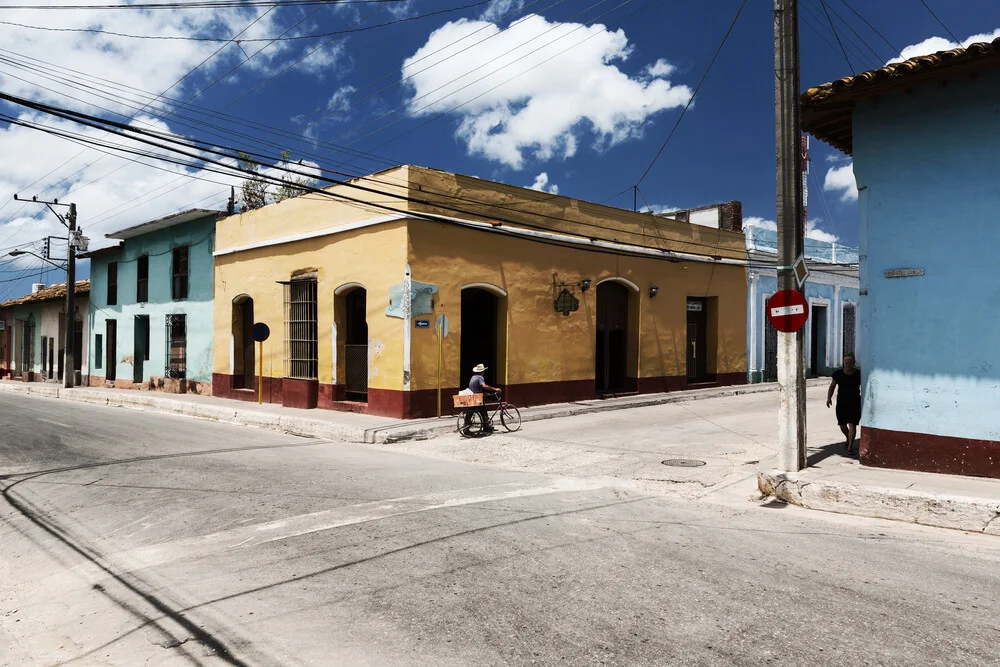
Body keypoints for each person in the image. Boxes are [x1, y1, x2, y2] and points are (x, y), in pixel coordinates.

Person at [827, 353, 862, 454]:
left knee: (852, 425)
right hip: (841, 403)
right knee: (842, 425)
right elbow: (832, 386)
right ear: (843, 363)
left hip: (854, 402)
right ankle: (847, 437)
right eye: (846, 363)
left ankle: (850, 446)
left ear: (853, 363)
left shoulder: (858, 374)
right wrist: (829, 398)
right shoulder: (838, 374)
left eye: (850, 363)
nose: (847, 364)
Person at [467, 363, 500, 434]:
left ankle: (486, 427)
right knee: (483, 412)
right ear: (482, 371)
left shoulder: (473, 377)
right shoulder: (480, 377)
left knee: (480, 410)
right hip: (477, 398)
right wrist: (495, 389)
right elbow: (484, 386)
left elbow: (476, 388)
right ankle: (486, 427)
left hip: (472, 397)